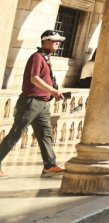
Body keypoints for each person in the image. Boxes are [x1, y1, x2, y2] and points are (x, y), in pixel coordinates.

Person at [0, 30, 67, 177]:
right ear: (45, 41)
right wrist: (53, 91)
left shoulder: (46, 58)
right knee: (16, 133)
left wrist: (53, 91)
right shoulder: (37, 57)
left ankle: (49, 165)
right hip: (31, 102)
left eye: (59, 41)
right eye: (54, 40)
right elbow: (34, 78)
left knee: (45, 134)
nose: (58, 43)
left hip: (42, 104)